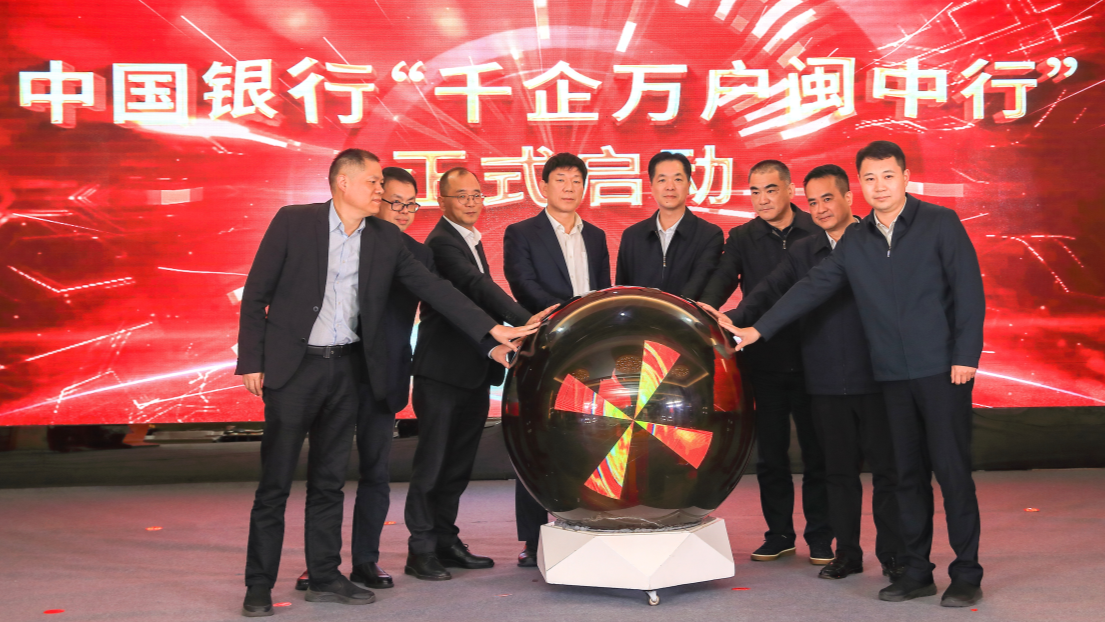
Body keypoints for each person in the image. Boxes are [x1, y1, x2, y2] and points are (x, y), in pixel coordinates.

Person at [236, 150, 537, 617]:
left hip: (345, 370)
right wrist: (252, 361)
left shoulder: (384, 238)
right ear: (343, 182)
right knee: (274, 484)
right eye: (374, 182)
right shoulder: (294, 221)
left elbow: (437, 290)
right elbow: (256, 294)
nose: (380, 190)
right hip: (294, 370)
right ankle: (258, 585)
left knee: (328, 483)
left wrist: (491, 330)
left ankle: (324, 576)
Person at [719, 141, 985, 607]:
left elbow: (968, 290)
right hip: (890, 377)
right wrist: (757, 329)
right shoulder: (857, 241)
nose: (879, 186)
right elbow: (811, 286)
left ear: (905, 177)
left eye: (888, 176)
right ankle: (917, 571)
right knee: (906, 477)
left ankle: (966, 573)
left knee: (952, 472)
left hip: (943, 372)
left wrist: (966, 355)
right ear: (860, 184)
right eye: (870, 178)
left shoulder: (940, 222)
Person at [712, 164, 905, 582]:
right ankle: (846, 553)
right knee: (837, 472)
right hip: (824, 378)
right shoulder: (804, 250)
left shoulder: (877, 240)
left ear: (849, 197)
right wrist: (730, 320)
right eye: (813, 202)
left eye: (828, 199)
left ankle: (894, 557)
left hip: (876, 376)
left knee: (887, 472)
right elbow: (769, 290)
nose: (820, 209)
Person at [404, 167, 555, 581]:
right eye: (462, 196)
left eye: (476, 195)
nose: (471, 203)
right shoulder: (442, 242)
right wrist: (526, 321)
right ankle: (420, 549)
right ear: (442, 200)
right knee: (432, 465)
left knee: (457, 465)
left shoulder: (469, 238)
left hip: (472, 369)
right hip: (440, 372)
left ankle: (445, 540)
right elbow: (475, 287)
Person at [291, 167, 428, 593]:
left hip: (384, 375)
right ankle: (320, 564)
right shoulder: (343, 242)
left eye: (411, 205)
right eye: (394, 201)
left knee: (376, 472)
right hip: (338, 370)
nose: (403, 211)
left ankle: (366, 560)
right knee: (325, 474)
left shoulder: (417, 254)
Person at [699, 160, 833, 565]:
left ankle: (821, 537)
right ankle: (778, 534)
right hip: (764, 359)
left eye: (771, 189)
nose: (762, 199)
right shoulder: (742, 236)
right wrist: (703, 311)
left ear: (790, 190)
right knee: (770, 456)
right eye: (755, 191)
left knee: (818, 454)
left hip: (814, 358)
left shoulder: (818, 229)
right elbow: (723, 279)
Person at [502, 152, 611, 566]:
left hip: (590, 353)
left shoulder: (596, 235)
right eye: (561, 179)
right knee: (538, 440)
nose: (569, 187)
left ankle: (592, 522)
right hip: (547, 347)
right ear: (544, 186)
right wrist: (567, 318)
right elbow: (522, 283)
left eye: (576, 180)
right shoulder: (521, 232)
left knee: (591, 438)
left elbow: (603, 289)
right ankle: (533, 540)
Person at [615, 151, 722, 299]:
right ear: (651, 186)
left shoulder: (709, 235)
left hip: (688, 314)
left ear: (689, 185)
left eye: (678, 179)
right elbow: (623, 292)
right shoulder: (632, 236)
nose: (670, 187)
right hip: (640, 314)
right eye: (662, 180)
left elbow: (701, 285)